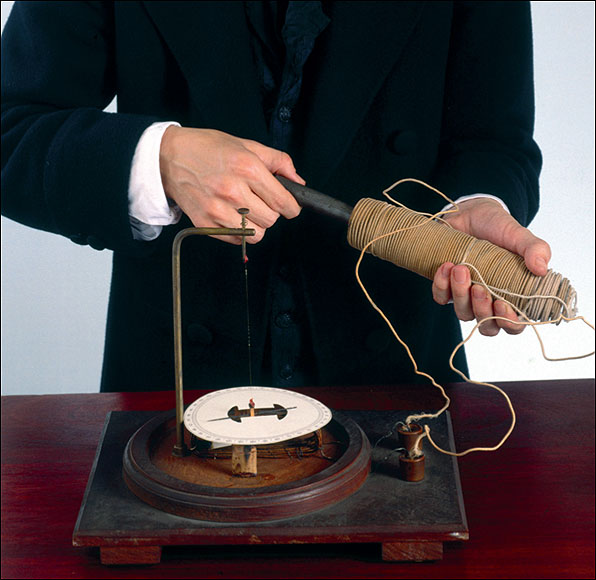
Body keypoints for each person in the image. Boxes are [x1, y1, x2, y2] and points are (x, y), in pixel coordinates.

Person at [1, 1, 550, 393]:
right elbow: (11, 131)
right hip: (169, 398)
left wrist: (484, 200)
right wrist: (160, 159)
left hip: (399, 392)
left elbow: (493, 138)